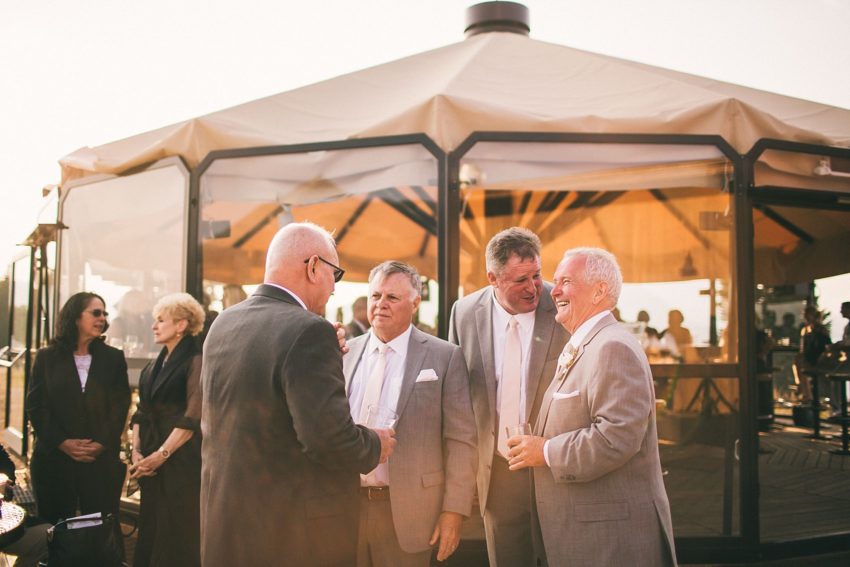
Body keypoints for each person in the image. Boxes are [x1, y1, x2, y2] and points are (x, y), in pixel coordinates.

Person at [200, 222, 395, 567]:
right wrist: (376, 444)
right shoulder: (309, 330)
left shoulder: (224, 323)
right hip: (292, 538)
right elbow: (329, 440)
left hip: (228, 527)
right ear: (313, 266)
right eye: (335, 273)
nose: (335, 287)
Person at [507, 247, 676, 566]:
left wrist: (544, 451)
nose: (553, 291)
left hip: (607, 541)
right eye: (555, 281)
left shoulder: (612, 347)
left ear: (600, 291)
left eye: (566, 281)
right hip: (585, 534)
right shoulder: (588, 343)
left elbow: (615, 440)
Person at [448, 227, 569, 567]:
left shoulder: (562, 306)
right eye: (520, 280)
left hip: (554, 462)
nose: (533, 288)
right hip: (497, 469)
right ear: (492, 278)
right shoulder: (465, 312)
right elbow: (457, 394)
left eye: (537, 275)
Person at [344, 261, 477, 567]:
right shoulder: (344, 353)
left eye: (392, 298)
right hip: (346, 508)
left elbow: (461, 441)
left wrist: (453, 511)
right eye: (375, 296)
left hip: (411, 513)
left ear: (415, 303)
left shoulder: (445, 356)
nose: (380, 305)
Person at [27, 292, 131, 526]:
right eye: (96, 312)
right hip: (54, 459)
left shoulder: (113, 358)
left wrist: (101, 443)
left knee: (99, 528)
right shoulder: (46, 357)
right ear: (75, 317)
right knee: (53, 530)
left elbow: (120, 405)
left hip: (99, 461)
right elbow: (36, 406)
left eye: (104, 313)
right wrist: (62, 443)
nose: (102, 318)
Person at [129, 293, 206, 567]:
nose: (154, 326)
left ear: (182, 325)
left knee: (178, 531)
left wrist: (160, 455)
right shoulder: (154, 364)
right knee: (151, 526)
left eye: (161, 320)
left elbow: (192, 418)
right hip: (151, 457)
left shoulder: (196, 361)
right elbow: (141, 411)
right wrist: (137, 453)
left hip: (181, 460)